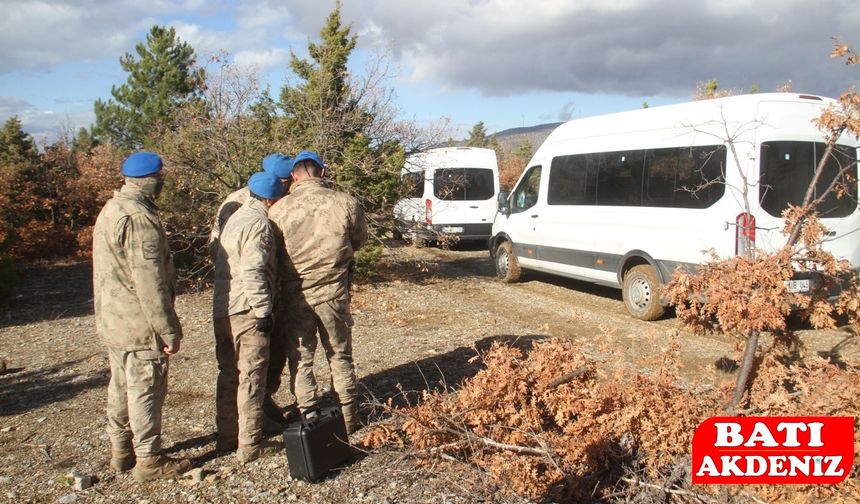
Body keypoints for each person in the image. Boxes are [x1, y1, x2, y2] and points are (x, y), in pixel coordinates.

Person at [92, 151, 191, 481]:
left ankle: (121, 451)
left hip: (114, 319)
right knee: (145, 388)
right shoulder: (139, 219)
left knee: (120, 385)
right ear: (151, 180)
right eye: (160, 177)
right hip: (139, 323)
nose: (162, 183)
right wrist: (167, 328)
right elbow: (150, 282)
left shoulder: (112, 209)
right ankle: (149, 460)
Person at [268, 150, 367, 433]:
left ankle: (309, 417)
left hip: (295, 296)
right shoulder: (345, 202)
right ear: (322, 172)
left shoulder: (278, 210)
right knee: (340, 355)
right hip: (334, 293)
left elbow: (272, 254)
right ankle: (348, 417)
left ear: (293, 176)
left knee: (301, 360)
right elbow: (359, 240)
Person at [208, 153, 297, 431]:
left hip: (241, 295)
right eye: (286, 182)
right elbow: (244, 261)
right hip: (252, 296)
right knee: (251, 368)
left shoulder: (248, 203)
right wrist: (260, 302)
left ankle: (246, 418)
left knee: (261, 360)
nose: (289, 186)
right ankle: (249, 432)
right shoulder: (247, 207)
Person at [212, 172, 285, 463]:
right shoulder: (259, 224)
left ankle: (226, 436)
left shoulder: (234, 218)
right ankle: (251, 444)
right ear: (271, 200)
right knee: (252, 376)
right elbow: (253, 269)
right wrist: (263, 310)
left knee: (228, 373)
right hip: (247, 309)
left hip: (223, 307)